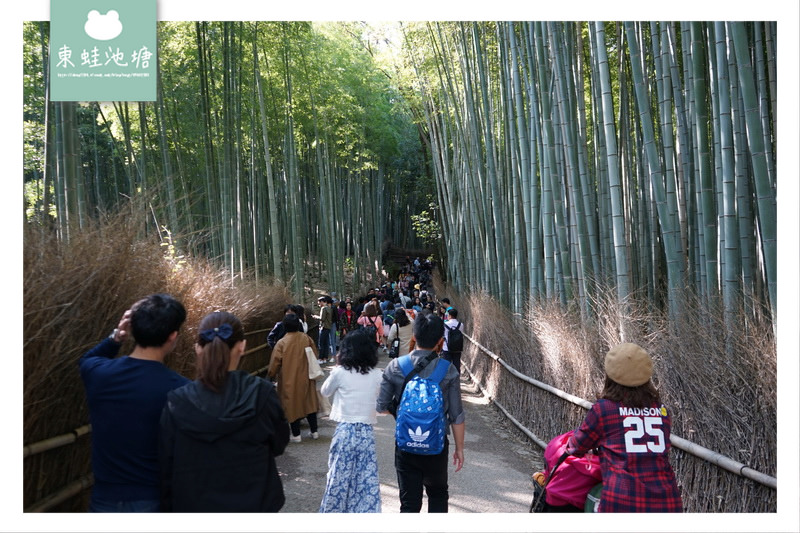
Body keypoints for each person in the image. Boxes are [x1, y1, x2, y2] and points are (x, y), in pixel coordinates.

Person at [159, 311, 290, 512]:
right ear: (242, 345)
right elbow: (279, 444)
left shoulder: (177, 401)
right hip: (255, 505)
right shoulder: (262, 394)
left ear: (198, 349)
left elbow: (166, 465)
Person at [79, 293, 189, 512]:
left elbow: (87, 359)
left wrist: (116, 337)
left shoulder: (99, 374)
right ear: (172, 336)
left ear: (132, 329)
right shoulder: (182, 389)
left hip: (104, 499)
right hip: (153, 499)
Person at [566, 343, 683, 512]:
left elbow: (576, 447)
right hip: (667, 502)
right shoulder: (661, 410)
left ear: (610, 375)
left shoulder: (604, 409)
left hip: (622, 500)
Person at [376, 312, 466, 513]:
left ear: (414, 337)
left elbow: (381, 406)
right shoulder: (448, 370)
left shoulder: (395, 367)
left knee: (409, 504)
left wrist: (401, 413)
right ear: (441, 341)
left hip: (405, 445)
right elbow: (457, 415)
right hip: (437, 444)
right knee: (438, 495)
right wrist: (459, 449)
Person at [318, 330, 384, 513]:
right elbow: (382, 402)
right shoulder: (377, 374)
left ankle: (334, 513)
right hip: (366, 433)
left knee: (338, 476)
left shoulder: (340, 372)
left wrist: (337, 367)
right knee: (365, 479)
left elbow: (324, 391)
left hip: (345, 431)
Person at [268, 313, 320, 442]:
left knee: (291, 405)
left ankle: (296, 435)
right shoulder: (306, 338)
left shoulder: (282, 343)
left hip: (288, 379)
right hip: (307, 376)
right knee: (309, 403)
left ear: (284, 326)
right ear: (299, 325)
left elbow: (275, 363)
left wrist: (271, 375)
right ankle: (314, 432)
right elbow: (315, 354)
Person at [441, 307, 464, 374]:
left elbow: (443, 334)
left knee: (446, 366)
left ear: (450, 316)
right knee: (456, 364)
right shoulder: (461, 325)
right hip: (457, 347)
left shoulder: (445, 324)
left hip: (446, 347)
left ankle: (447, 380)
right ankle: (456, 379)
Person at [316, 296, 334, 364]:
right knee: (326, 343)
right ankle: (325, 358)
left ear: (322, 302)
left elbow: (322, 318)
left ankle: (321, 358)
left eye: (319, 302)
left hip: (323, 327)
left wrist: (316, 317)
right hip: (328, 327)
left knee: (321, 343)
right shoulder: (329, 308)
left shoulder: (323, 308)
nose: (318, 304)